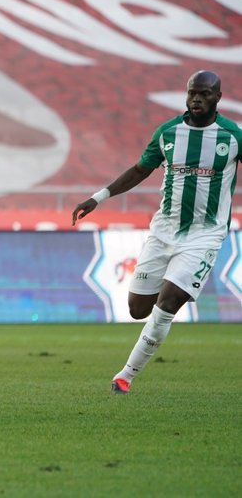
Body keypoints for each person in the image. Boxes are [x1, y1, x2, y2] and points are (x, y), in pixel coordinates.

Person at [72, 70, 241, 395]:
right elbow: (140, 169)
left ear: (217, 97)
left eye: (204, 94)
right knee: (138, 308)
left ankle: (125, 376)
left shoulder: (232, 137)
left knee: (168, 303)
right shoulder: (169, 133)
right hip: (163, 232)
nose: (196, 99)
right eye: (192, 93)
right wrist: (97, 198)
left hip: (205, 235)